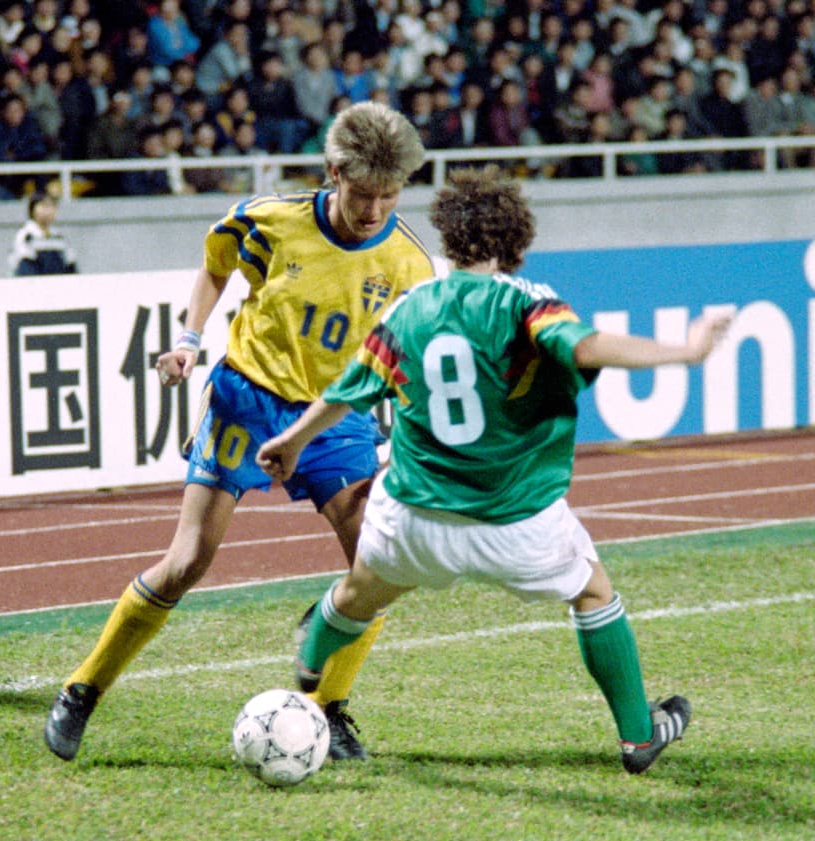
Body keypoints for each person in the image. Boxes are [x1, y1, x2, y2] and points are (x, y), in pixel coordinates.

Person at [257, 167, 732, 773]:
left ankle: (310, 664)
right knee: (592, 591)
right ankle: (639, 736)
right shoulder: (526, 304)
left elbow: (350, 389)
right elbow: (584, 348)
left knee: (359, 592)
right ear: (518, 240)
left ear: (447, 239)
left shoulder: (410, 307)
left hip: (414, 518)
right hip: (515, 522)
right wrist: (685, 353)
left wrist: (293, 441)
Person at [43, 102, 437, 762]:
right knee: (188, 559)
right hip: (245, 398)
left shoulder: (408, 265)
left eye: (389, 196)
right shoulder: (272, 220)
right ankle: (81, 689)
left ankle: (328, 708)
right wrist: (189, 340)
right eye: (363, 194)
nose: (375, 211)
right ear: (333, 172)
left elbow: (407, 355)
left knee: (377, 567)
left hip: (333, 416)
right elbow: (215, 265)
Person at [8, 190, 78, 276]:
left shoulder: (59, 236)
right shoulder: (26, 235)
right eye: (44, 206)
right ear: (32, 209)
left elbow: (70, 265)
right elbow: (26, 268)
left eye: (52, 206)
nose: (48, 211)